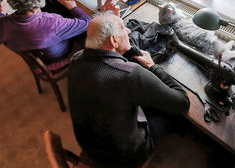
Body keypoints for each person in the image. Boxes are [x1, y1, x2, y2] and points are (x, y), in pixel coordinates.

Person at [68, 12, 190, 168]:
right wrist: (153, 67)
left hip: (90, 147)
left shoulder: (77, 58)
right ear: (114, 40)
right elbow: (182, 102)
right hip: (125, 156)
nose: (128, 31)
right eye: (123, 28)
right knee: (172, 113)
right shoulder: (130, 74)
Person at [0, 0, 116, 64]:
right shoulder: (53, 22)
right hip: (58, 55)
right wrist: (73, 8)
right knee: (85, 32)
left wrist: (1, 14)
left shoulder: (2, 23)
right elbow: (88, 23)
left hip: (37, 56)